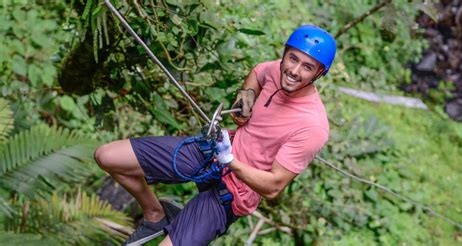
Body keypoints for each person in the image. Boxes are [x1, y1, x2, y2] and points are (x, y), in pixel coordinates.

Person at [94, 25, 336, 246]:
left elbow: (273, 187)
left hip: (235, 193)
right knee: (107, 156)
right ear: (285, 54)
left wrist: (230, 160)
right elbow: (258, 72)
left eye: (307, 67)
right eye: (292, 58)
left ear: (318, 73)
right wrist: (246, 100)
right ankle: (155, 214)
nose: (294, 70)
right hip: (213, 151)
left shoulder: (312, 126)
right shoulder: (277, 70)